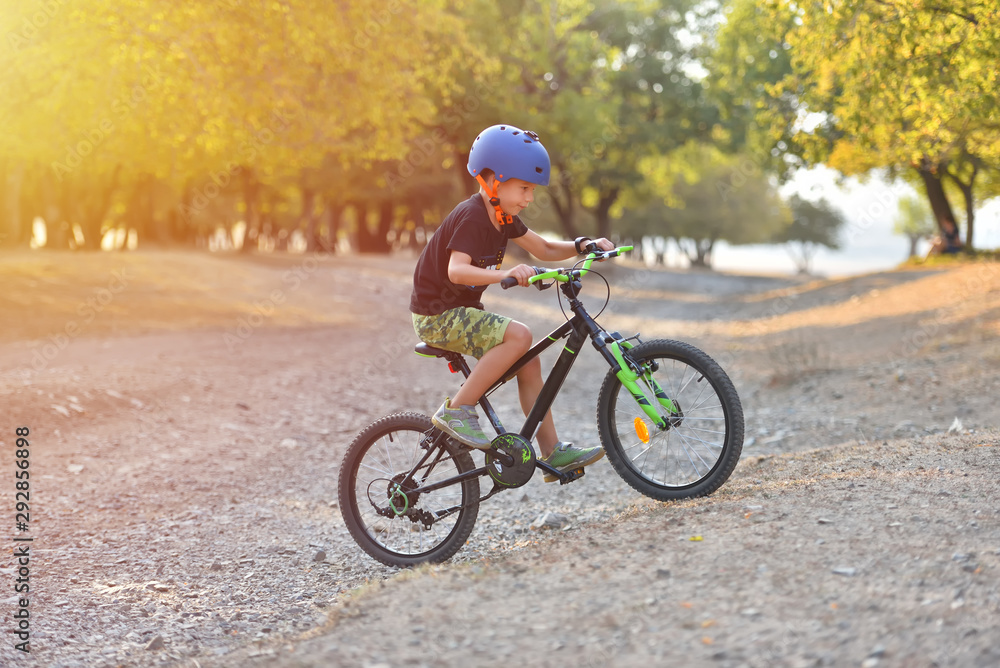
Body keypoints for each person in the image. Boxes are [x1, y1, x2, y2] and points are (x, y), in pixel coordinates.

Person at [410, 124, 613, 481]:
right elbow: (457, 271)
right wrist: (505, 274)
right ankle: (457, 410)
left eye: (531, 190)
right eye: (523, 188)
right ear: (493, 180)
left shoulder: (503, 219)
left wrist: (584, 245)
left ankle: (553, 452)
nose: (529, 198)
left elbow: (546, 249)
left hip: (462, 313)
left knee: (529, 362)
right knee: (519, 335)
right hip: (436, 315)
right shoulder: (473, 215)